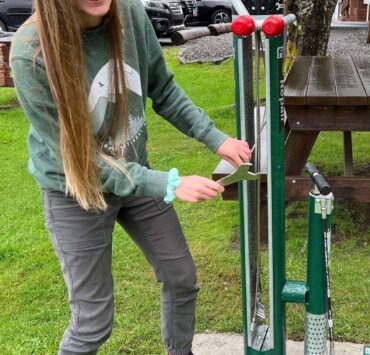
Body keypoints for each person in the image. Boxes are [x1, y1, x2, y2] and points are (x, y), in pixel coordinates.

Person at [11, 0, 251, 354]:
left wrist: (216, 139)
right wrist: (168, 184)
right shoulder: (31, 53)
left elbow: (163, 89)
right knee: (92, 322)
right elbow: (82, 161)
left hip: (135, 175)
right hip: (75, 191)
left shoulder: (129, 12)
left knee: (181, 278)